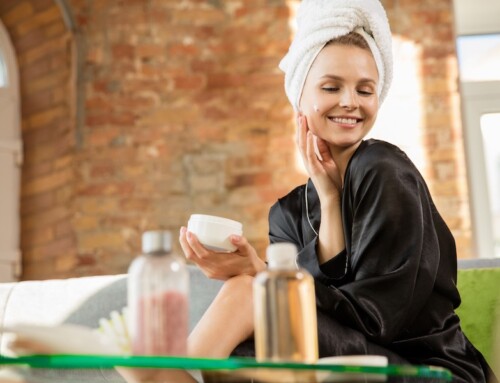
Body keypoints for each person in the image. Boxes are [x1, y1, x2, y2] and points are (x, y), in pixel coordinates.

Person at [121, 0, 497, 382]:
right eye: (331, 86)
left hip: (425, 369)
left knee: (251, 292)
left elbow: (377, 319)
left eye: (365, 90)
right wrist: (328, 200)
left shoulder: (384, 169)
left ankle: (166, 376)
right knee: (252, 341)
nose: (350, 101)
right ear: (300, 96)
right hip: (340, 364)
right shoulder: (287, 213)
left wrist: (262, 273)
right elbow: (309, 323)